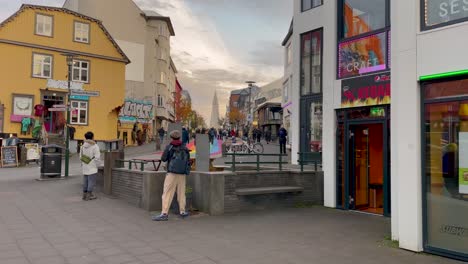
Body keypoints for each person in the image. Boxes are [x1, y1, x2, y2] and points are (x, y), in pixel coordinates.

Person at [153, 130, 190, 221]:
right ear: (179, 137)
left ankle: (164, 213)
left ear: (171, 137)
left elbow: (164, 159)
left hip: (172, 173)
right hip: (182, 173)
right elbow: (188, 159)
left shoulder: (169, 147)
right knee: (181, 192)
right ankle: (182, 211)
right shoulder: (184, 147)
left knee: (167, 192)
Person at [80, 131, 101, 201]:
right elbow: (97, 157)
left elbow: (80, 156)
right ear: (92, 137)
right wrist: (97, 165)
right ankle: (89, 196)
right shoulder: (95, 146)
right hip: (92, 166)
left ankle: (84, 195)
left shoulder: (82, 146)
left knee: (85, 181)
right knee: (91, 181)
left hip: (85, 165)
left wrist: (83, 163)